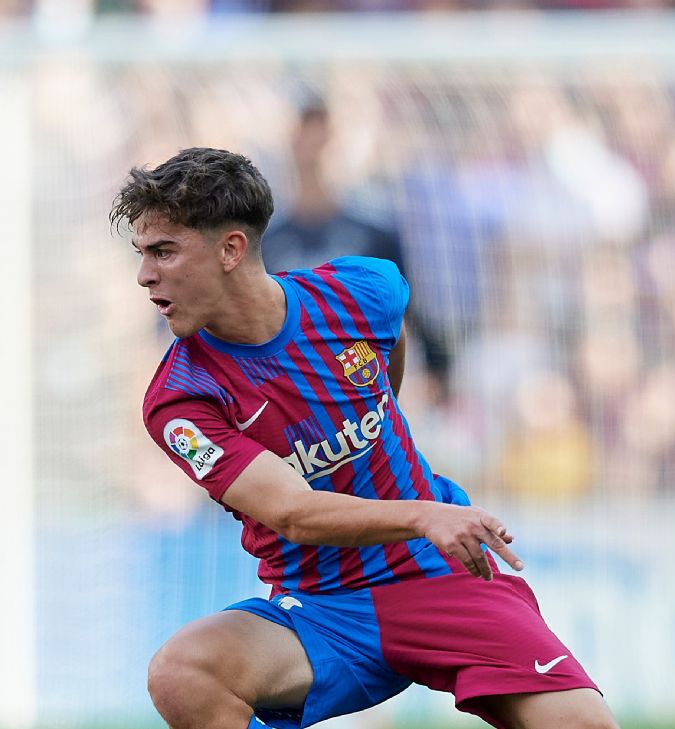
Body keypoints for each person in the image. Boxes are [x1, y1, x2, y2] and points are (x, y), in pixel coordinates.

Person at [114, 147, 618, 729]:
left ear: (231, 249)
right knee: (183, 672)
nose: (145, 274)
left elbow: (389, 350)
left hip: (437, 574)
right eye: (143, 254)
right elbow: (293, 513)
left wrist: (387, 442)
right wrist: (421, 514)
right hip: (321, 609)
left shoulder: (363, 290)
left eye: (164, 252)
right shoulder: (180, 401)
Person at [261, 93, 452, 402]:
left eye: (320, 130)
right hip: (290, 390)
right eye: (304, 131)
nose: (312, 143)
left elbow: (407, 307)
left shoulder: (374, 233)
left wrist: (437, 367)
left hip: (363, 384)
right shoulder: (266, 242)